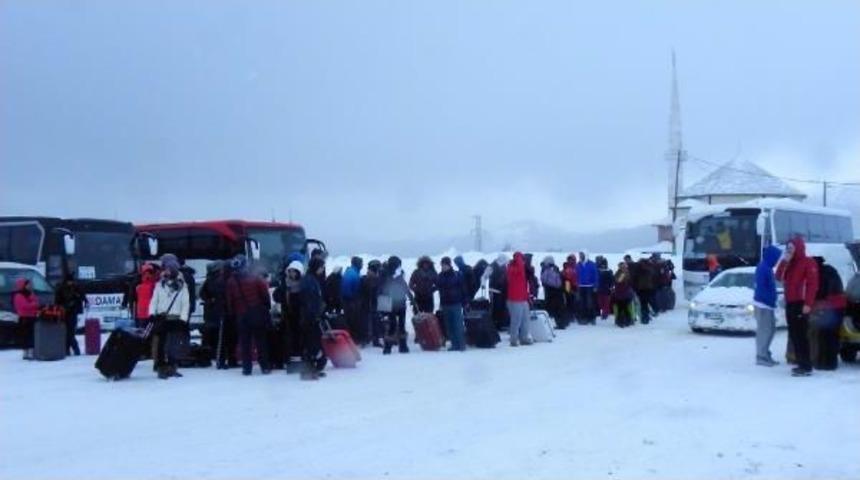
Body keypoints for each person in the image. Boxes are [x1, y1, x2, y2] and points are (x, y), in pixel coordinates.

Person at [776, 237, 819, 377]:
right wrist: (784, 261)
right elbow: (778, 277)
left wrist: (808, 304)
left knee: (801, 336)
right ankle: (801, 363)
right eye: (787, 249)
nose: (789, 251)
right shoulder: (789, 263)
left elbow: (813, 285)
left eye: (791, 248)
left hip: (801, 303)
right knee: (794, 335)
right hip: (791, 303)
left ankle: (806, 366)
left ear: (798, 248)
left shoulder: (808, 262)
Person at [226, 254, 272, 376]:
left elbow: (230, 300)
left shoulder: (231, 281)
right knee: (261, 341)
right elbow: (265, 295)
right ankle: (265, 366)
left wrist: (233, 313)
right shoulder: (255, 278)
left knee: (245, 342)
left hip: (241, 315)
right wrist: (266, 307)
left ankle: (247, 368)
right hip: (256, 312)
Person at [149, 254, 191, 379]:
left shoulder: (182, 285)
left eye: (168, 269)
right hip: (162, 317)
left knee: (174, 345)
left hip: (176, 318)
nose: (166, 271)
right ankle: (161, 368)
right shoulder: (159, 284)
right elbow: (154, 300)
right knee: (161, 345)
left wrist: (183, 319)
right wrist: (152, 313)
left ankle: (172, 367)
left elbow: (185, 303)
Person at [810, 256, 845, 370]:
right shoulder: (829, 269)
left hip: (830, 306)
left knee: (825, 335)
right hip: (839, 305)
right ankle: (830, 362)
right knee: (832, 335)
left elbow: (821, 291)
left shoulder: (820, 273)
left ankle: (826, 363)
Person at [273, 261, 305, 373]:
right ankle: (289, 360)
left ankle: (299, 358)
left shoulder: (303, 284)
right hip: (288, 316)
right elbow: (276, 296)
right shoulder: (284, 284)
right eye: (290, 272)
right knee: (289, 338)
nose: (292, 274)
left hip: (300, 316)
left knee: (298, 338)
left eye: (294, 272)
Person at [753, 245, 782, 367]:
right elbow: (762, 288)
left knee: (770, 330)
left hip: (766, 305)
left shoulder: (767, 267)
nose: (777, 260)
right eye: (777, 257)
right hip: (763, 305)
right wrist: (771, 300)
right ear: (772, 256)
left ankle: (765, 353)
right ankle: (761, 356)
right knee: (765, 331)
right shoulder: (764, 268)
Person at [299, 257, 327, 380]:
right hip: (309, 317)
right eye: (321, 266)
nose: (322, 269)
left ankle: (313, 368)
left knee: (314, 344)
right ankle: (308, 371)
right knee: (311, 344)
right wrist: (314, 315)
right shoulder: (309, 281)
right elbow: (309, 300)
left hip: (311, 316)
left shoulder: (311, 279)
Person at [380, 256, 414, 355]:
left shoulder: (393, 274)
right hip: (393, 303)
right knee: (393, 325)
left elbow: (404, 286)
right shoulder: (386, 274)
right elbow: (382, 289)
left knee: (398, 325)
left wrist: (411, 298)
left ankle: (396, 346)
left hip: (397, 303)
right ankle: (394, 346)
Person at [437, 257, 467, 351]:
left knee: (458, 325)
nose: (444, 267)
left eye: (445, 265)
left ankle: (461, 344)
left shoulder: (457, 275)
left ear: (450, 265)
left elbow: (463, 288)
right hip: (445, 304)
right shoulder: (440, 276)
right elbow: (439, 289)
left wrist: (465, 301)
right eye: (442, 265)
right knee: (449, 326)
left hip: (456, 303)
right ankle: (454, 344)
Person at [54, 274, 87, 356]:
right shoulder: (61, 288)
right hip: (64, 312)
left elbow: (82, 296)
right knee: (68, 333)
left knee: (70, 333)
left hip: (73, 312)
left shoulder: (75, 287)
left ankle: (71, 350)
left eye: (72, 281)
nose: (71, 283)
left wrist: (81, 299)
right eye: (69, 281)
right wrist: (64, 306)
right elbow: (57, 301)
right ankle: (72, 350)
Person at [199, 261, 227, 354]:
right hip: (219, 310)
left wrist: (209, 300)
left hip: (209, 311)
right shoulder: (221, 280)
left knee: (209, 332)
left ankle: (207, 351)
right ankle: (217, 352)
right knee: (219, 333)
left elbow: (202, 294)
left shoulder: (208, 280)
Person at [506, 252, 532, 347]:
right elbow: (518, 269)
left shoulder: (520, 269)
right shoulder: (511, 268)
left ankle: (524, 338)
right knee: (516, 320)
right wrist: (519, 261)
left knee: (525, 319)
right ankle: (513, 339)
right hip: (515, 299)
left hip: (523, 297)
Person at [13, 278, 40, 360]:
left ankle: (31, 351)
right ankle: (26, 352)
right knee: (26, 335)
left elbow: (36, 303)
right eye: (27, 284)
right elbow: (24, 306)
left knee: (31, 335)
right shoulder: (18, 295)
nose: (29, 286)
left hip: (32, 317)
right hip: (24, 318)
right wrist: (33, 304)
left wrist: (33, 303)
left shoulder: (30, 294)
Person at [360, 260, 384, 347]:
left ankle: (367, 340)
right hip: (371, 304)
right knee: (372, 322)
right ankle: (372, 340)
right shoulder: (373, 279)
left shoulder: (364, 278)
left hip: (367, 304)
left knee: (369, 322)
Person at [341, 257, 365, 343]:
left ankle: (351, 338)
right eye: (361, 263)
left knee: (350, 320)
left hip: (347, 300)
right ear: (358, 264)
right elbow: (352, 289)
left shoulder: (349, 272)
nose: (362, 265)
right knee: (353, 320)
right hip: (351, 300)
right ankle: (354, 339)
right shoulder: (354, 274)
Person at [539, 256, 565, 325]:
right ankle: (558, 322)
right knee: (555, 307)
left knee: (555, 307)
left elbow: (544, 279)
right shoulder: (553, 270)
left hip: (552, 291)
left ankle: (559, 323)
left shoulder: (549, 270)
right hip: (553, 291)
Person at [633, 256, 658, 324]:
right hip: (648, 289)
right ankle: (650, 314)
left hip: (642, 289)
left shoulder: (639, 270)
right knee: (648, 302)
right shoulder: (650, 269)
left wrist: (636, 289)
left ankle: (645, 318)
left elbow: (635, 280)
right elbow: (654, 278)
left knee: (644, 304)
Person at [133, 263, 159, 329]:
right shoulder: (154, 286)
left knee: (142, 332)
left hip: (141, 313)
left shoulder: (138, 287)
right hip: (150, 312)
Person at [488, 254, 509, 330]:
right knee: (495, 308)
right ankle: (496, 324)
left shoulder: (502, 266)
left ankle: (500, 324)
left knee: (501, 308)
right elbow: (486, 276)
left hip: (502, 290)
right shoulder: (492, 266)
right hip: (495, 290)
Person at [576, 252, 598, 324]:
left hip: (590, 286)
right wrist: (576, 284)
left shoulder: (591, 264)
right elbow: (576, 275)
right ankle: (583, 318)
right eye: (580, 256)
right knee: (582, 303)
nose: (581, 257)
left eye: (582, 255)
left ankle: (592, 318)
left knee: (590, 303)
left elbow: (595, 275)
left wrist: (595, 285)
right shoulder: (578, 265)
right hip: (580, 286)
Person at [612, 262, 635, 327]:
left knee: (624, 308)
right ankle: (624, 320)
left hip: (624, 293)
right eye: (621, 267)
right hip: (620, 293)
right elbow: (616, 281)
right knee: (621, 308)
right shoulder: (620, 273)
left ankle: (625, 320)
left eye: (623, 267)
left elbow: (619, 281)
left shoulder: (625, 273)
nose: (622, 268)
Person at [562, 254, 578, 323]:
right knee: (569, 301)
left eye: (572, 259)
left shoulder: (576, 268)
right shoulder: (567, 268)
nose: (570, 261)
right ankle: (570, 316)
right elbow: (565, 278)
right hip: (568, 284)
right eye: (569, 259)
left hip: (575, 286)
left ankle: (573, 315)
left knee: (574, 302)